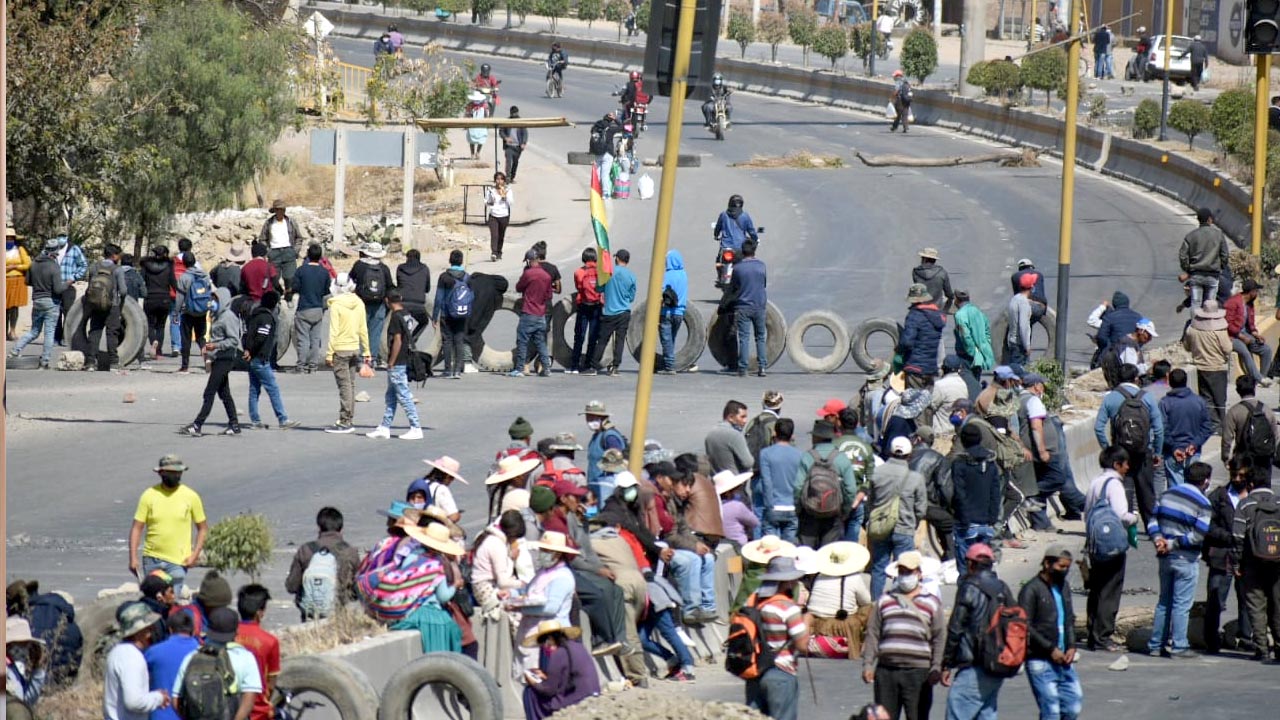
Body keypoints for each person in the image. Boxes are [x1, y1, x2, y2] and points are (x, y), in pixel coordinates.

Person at [862, 551, 944, 720]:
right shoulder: (885, 600)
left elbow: (939, 637)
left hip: (919, 673)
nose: (905, 576)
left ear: (919, 574)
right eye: (902, 572)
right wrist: (868, 664)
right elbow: (873, 633)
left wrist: (936, 667)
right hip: (886, 672)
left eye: (909, 572)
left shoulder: (932, 603)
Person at [1146, 461, 1213, 658]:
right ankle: (1179, 645)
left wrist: (1159, 539)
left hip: (1164, 557)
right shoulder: (1203, 503)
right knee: (1182, 604)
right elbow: (1198, 535)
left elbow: (1152, 521)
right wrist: (1173, 544)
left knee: (1163, 601)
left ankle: (1156, 645)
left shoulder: (1166, 494)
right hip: (1186, 558)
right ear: (1206, 481)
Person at [942, 543, 1011, 720]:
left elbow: (956, 628)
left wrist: (947, 663)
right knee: (986, 712)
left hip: (974, 663)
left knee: (957, 714)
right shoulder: (1002, 588)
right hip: (997, 663)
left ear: (970, 564)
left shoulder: (969, 587)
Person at [1094, 363, 1164, 528]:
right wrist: (1157, 453)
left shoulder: (1111, 398)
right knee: (1146, 491)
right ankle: (1151, 527)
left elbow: (1098, 427)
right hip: (1142, 452)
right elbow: (1159, 430)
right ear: (1136, 379)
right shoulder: (1147, 397)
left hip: (1120, 453)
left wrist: (1108, 449)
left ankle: (1122, 525)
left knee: (1123, 489)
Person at [740, 556, 809, 720]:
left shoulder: (751, 603)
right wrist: (807, 620)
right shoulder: (787, 608)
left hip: (754, 670)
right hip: (781, 671)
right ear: (787, 581)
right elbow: (803, 645)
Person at [128, 455, 206, 596]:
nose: (175, 475)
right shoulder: (149, 495)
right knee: (153, 600)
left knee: (171, 600)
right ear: (161, 473)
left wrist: (194, 555)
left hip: (178, 561)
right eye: (171, 472)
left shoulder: (191, 496)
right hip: (152, 559)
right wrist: (133, 557)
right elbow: (137, 527)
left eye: (178, 472)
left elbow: (202, 528)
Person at [1019, 545, 1083, 719]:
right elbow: (1025, 626)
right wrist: (1050, 649)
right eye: (1061, 567)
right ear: (1047, 564)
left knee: (1072, 706)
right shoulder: (1031, 589)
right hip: (1040, 660)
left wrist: (1071, 645)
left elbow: (1069, 619)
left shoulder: (1063, 587)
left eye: (1067, 567)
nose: (1064, 571)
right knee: (1051, 711)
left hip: (1064, 658)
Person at [1202, 456, 1255, 655]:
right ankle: (1211, 639)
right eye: (1234, 474)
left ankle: (1246, 637)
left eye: (1241, 475)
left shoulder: (1254, 497)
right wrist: (1229, 536)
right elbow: (1208, 525)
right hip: (1222, 555)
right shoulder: (1219, 496)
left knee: (1248, 599)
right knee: (1216, 598)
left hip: (1248, 558)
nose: (1237, 478)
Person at [1019, 373, 1085, 530]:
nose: (1043, 388)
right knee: (1058, 478)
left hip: (1033, 450)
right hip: (1043, 451)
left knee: (1042, 481)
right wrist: (1042, 451)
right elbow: (1036, 426)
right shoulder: (1033, 400)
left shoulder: (1020, 399)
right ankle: (1029, 496)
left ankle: (1041, 523)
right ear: (1036, 385)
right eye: (1042, 384)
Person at [171, 607, 263, 720]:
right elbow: (249, 698)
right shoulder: (245, 658)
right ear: (236, 632)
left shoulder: (192, 657)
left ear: (209, 630)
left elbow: (176, 699)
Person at [867, 437, 928, 599]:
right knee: (905, 569)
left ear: (890, 452)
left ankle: (876, 605)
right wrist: (912, 523)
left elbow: (870, 502)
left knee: (879, 568)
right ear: (909, 455)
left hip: (880, 528)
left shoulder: (876, 473)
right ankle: (901, 604)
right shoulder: (915, 478)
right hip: (904, 528)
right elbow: (921, 509)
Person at [1230, 466, 1280, 662]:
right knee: (1278, 604)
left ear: (1250, 484)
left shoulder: (1244, 505)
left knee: (1256, 605)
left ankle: (1261, 648)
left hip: (1252, 563)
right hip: (1277, 563)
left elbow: (1237, 537)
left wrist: (1236, 564)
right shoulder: (1278, 502)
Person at [181, 288, 242, 436]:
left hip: (225, 358)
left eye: (215, 299)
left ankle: (197, 424)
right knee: (224, 393)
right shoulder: (217, 315)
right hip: (217, 357)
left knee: (209, 392)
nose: (212, 302)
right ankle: (234, 424)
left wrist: (216, 346)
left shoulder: (228, 317)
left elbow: (234, 340)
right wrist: (208, 349)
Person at [286, 507, 361, 621]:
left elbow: (291, 586)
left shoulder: (305, 550)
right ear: (341, 528)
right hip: (338, 614)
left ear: (319, 527)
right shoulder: (350, 552)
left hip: (309, 616)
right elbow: (358, 588)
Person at [365, 290, 422, 439]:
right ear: (400, 299)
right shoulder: (406, 313)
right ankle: (385, 426)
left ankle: (416, 427)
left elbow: (397, 340)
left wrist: (391, 362)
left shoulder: (396, 317)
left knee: (403, 395)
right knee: (391, 396)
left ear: (386, 301)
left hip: (398, 361)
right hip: (402, 359)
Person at [949, 424, 1002, 581]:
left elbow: (960, 494)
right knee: (984, 565)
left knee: (965, 571)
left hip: (966, 524)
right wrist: (992, 519)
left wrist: (964, 519)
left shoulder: (959, 464)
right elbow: (995, 494)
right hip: (986, 523)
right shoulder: (990, 463)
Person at [805, 541, 873, 660]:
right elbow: (866, 601)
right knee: (870, 608)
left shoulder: (819, 576)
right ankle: (861, 644)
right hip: (842, 623)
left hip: (818, 620)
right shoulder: (854, 578)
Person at [520, 620, 600, 720]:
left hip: (575, 698)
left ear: (549, 639)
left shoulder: (558, 654)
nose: (544, 647)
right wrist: (544, 676)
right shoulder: (578, 646)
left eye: (544, 643)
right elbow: (566, 676)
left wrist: (533, 682)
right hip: (590, 692)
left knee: (529, 692)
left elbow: (548, 690)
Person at [102, 602, 170, 720]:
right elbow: (134, 702)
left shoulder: (117, 652)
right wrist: (159, 698)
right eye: (149, 627)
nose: (152, 630)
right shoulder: (132, 657)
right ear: (140, 630)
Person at [243, 292, 299, 431]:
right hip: (260, 359)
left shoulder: (254, 314)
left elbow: (248, 335)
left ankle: (255, 421)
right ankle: (283, 419)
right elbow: (261, 337)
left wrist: (247, 350)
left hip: (253, 359)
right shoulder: (266, 317)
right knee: (273, 388)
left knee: (254, 389)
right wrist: (252, 350)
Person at [324, 272, 371, 434]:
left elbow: (334, 331)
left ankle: (345, 421)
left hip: (340, 349)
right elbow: (363, 328)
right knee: (350, 385)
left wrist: (330, 353)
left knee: (344, 386)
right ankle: (348, 418)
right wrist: (367, 350)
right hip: (354, 348)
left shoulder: (336, 304)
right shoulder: (358, 302)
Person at [9, 238, 66, 369]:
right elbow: (58, 289)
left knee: (34, 331)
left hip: (37, 301)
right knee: (49, 332)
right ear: (55, 252)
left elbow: (27, 281)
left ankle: (14, 351)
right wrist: (67, 284)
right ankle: (45, 361)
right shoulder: (54, 267)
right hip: (51, 302)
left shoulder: (34, 264)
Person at [74, 243, 129, 371]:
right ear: (114, 256)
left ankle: (91, 362)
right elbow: (123, 290)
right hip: (112, 305)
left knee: (95, 331)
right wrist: (121, 302)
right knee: (112, 333)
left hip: (95, 305)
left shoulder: (94, 267)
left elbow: (90, 286)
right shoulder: (117, 269)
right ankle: (114, 363)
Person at [1156, 369, 1212, 487]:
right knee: (1195, 490)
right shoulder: (1199, 401)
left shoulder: (1165, 403)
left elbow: (1162, 429)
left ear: (1170, 383)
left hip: (1173, 454)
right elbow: (1207, 427)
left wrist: (1174, 448)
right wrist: (1195, 444)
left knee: (1177, 492)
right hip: (1193, 453)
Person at [1183, 300, 1232, 432]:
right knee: (1220, 399)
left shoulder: (1192, 329)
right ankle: (1223, 426)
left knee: (1207, 398)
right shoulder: (1219, 331)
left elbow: (1187, 346)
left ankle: (1212, 424)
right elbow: (1228, 348)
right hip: (1217, 367)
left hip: (1201, 367)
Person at [586, 248, 635, 376]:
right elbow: (631, 297)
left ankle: (594, 366)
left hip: (609, 312)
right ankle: (615, 367)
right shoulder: (631, 276)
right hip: (624, 312)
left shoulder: (608, 273)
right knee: (619, 341)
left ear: (617, 259)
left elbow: (598, 288)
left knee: (602, 340)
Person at [1222, 374, 1278, 485]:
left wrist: (1226, 458)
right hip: (1264, 456)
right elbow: (1276, 434)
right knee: (1264, 487)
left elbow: (1227, 438)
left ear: (1238, 390)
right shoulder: (1266, 409)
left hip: (1243, 456)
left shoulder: (1234, 411)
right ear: (1254, 388)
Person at [234, 585, 280, 720]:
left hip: (230, 706)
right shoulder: (270, 641)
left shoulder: (227, 634)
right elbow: (271, 683)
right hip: (258, 711)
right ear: (260, 612)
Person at [725, 239, 769, 377]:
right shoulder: (762, 266)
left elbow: (734, 287)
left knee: (744, 338)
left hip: (743, 306)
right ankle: (762, 367)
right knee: (760, 337)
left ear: (743, 252)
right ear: (754, 250)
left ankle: (743, 368)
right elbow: (764, 284)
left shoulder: (738, 268)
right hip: (759, 306)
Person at [143, 613, 198, 720]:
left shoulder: (154, 652)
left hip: (161, 714)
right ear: (193, 630)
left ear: (170, 630)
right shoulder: (202, 652)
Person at [510, 249, 553, 378]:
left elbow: (519, 287)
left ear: (529, 261)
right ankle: (546, 368)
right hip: (541, 314)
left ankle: (519, 368)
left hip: (528, 312)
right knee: (540, 342)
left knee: (522, 341)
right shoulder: (547, 276)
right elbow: (549, 295)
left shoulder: (528, 274)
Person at [350, 244, 394, 368]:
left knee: (359, 331)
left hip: (360, 303)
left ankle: (359, 359)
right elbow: (390, 286)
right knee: (375, 333)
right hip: (379, 304)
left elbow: (350, 280)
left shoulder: (359, 265)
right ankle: (371, 359)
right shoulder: (384, 268)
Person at [760, 418, 804, 543]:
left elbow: (766, 482)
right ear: (792, 435)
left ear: (775, 433)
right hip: (792, 507)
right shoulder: (799, 455)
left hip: (773, 505)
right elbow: (800, 483)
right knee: (789, 548)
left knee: (771, 549)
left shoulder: (765, 454)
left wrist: (769, 505)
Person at [1224, 280, 1274, 386]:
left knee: (1266, 350)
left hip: (1245, 334)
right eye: (1256, 291)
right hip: (1232, 336)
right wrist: (1241, 336)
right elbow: (1228, 324)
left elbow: (1251, 324)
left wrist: (1255, 334)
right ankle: (1260, 379)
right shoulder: (1233, 302)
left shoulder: (1250, 304)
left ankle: (1262, 378)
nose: (1257, 294)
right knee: (1245, 352)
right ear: (1251, 292)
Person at [1178, 208, 1230, 309]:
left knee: (1196, 304)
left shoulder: (1190, 236)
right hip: (1213, 275)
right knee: (1210, 305)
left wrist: (1188, 270)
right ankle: (1209, 324)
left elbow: (1182, 255)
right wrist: (1220, 267)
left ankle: (1194, 324)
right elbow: (1225, 254)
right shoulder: (1219, 235)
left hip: (1196, 275)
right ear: (1209, 219)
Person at [292, 244, 331, 374]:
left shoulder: (301, 270)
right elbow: (326, 291)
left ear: (308, 255)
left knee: (303, 339)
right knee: (315, 339)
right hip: (318, 309)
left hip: (304, 307)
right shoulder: (324, 272)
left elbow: (295, 288)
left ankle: (301, 365)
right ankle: (313, 366)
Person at [431, 250, 470, 379]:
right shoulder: (466, 276)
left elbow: (439, 297)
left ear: (450, 260)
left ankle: (448, 370)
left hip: (446, 314)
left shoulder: (444, 277)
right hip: (462, 313)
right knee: (459, 340)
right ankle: (458, 370)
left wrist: (435, 316)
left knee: (447, 341)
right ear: (461, 261)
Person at [900, 284, 945, 387]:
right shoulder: (937, 315)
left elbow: (907, 342)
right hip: (930, 367)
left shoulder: (914, 315)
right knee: (927, 399)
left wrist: (899, 350)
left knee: (914, 400)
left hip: (915, 366)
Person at [569, 248, 603, 374]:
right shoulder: (600, 272)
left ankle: (574, 365)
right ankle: (588, 365)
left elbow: (578, 287)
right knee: (593, 337)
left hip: (583, 305)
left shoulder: (578, 272)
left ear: (583, 258)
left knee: (579, 336)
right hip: (596, 306)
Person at [257, 200, 302, 292]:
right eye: (278, 209)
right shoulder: (269, 223)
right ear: (275, 211)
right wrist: (268, 252)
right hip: (274, 253)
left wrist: (295, 251)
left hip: (288, 251)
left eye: (282, 209)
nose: (280, 211)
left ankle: (289, 297)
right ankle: (276, 298)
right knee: (274, 278)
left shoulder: (290, 222)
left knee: (289, 277)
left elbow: (299, 237)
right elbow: (262, 239)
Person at [953, 292, 995, 383]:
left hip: (966, 355)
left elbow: (965, 336)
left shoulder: (959, 315)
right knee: (976, 379)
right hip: (980, 353)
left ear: (957, 300)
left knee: (968, 382)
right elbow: (987, 328)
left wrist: (971, 352)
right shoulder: (977, 311)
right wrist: (985, 344)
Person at [6, 617, 48, 709]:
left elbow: (25, 702)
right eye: (22, 643)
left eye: (27, 644)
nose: (26, 648)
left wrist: (38, 669)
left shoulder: (13, 669)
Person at [659, 249, 688, 374]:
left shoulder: (667, 275)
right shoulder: (683, 274)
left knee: (666, 339)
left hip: (668, 312)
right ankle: (669, 362)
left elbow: (660, 292)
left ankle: (669, 366)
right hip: (680, 313)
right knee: (671, 338)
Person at [707, 399, 755, 475]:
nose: (745, 421)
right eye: (742, 417)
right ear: (731, 417)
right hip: (735, 481)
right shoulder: (735, 435)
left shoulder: (711, 434)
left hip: (717, 481)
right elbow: (748, 463)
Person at [395, 248, 431, 340]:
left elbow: (399, 285)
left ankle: (401, 342)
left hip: (402, 303)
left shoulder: (400, 268)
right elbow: (427, 289)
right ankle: (413, 339)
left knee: (400, 325)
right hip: (418, 303)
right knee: (424, 322)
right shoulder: (425, 268)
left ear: (407, 258)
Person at [717, 469, 759, 546]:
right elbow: (754, 522)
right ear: (728, 492)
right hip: (738, 545)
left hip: (720, 544)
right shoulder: (737, 506)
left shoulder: (714, 507)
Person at [1004, 273, 1037, 365]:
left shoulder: (1015, 299)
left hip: (1012, 341)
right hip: (1019, 345)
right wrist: (1027, 346)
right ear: (1031, 287)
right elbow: (1023, 326)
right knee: (1020, 374)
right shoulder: (1023, 303)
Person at [4, 228, 30, 341]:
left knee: (14, 307)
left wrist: (15, 267)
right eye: (6, 238)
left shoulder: (20, 250)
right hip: (4, 280)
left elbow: (27, 264)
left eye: (11, 238)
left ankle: (12, 330)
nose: (8, 240)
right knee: (4, 308)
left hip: (17, 280)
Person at [589, 112, 621, 198]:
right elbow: (623, 127)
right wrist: (615, 119)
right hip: (608, 153)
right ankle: (605, 193)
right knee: (605, 174)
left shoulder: (595, 128)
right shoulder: (610, 129)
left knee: (598, 174)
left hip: (597, 153)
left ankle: (596, 192)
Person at [912, 247, 953, 313]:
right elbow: (949, 295)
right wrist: (945, 311)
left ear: (924, 259)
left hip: (920, 310)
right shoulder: (942, 273)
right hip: (936, 310)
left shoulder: (916, 272)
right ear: (934, 260)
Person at [485, 171, 514, 261]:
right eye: (497, 179)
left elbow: (511, 202)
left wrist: (505, 198)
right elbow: (486, 202)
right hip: (493, 215)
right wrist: (490, 201)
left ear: (504, 181)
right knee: (494, 235)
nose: (499, 181)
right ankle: (493, 252)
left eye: (501, 179)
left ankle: (499, 252)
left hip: (504, 215)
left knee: (501, 235)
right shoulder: (491, 190)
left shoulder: (508, 190)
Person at [501, 106, 529, 183]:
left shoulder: (521, 122)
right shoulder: (507, 121)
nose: (514, 115)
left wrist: (523, 143)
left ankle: (512, 177)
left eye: (516, 113)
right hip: (509, 146)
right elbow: (501, 131)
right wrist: (506, 138)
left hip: (518, 146)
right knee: (508, 162)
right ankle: (507, 178)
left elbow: (525, 133)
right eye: (513, 113)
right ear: (510, 113)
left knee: (515, 163)